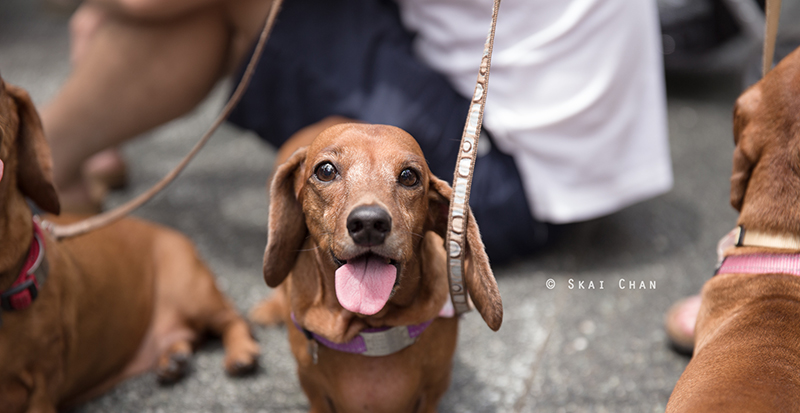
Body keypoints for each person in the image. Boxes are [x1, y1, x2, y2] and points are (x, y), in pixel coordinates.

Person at [41, 0, 672, 264]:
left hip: (504, 181)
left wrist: (99, 12)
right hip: (571, 155)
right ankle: (66, 152)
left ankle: (49, 161)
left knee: (234, 8)